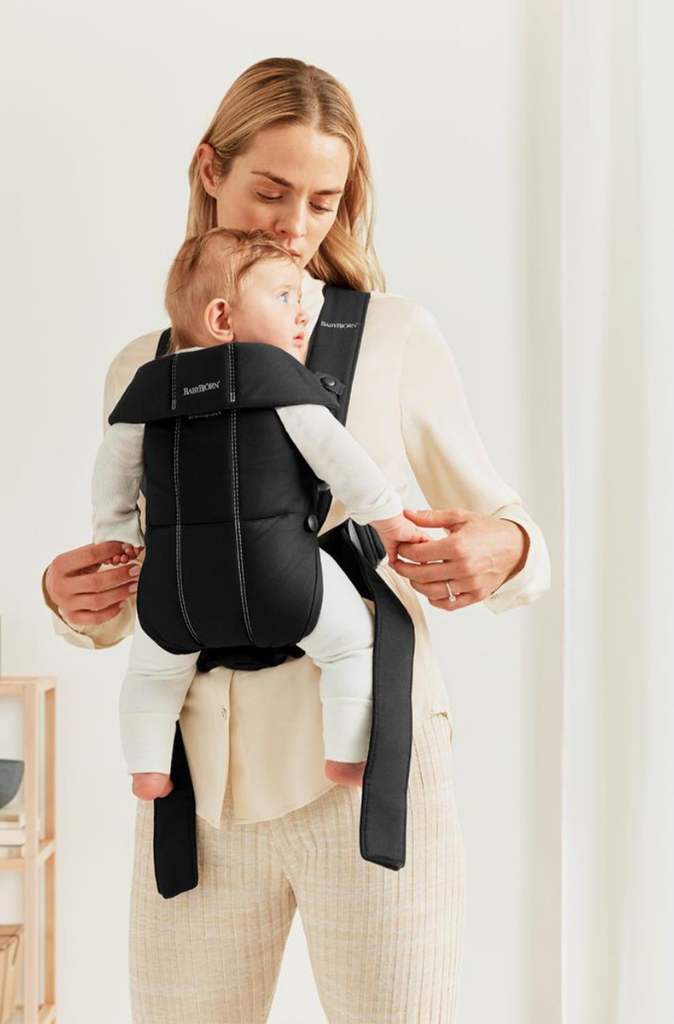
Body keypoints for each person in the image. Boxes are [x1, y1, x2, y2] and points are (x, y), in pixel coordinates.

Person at [42, 57, 551, 1022]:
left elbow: (509, 523)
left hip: (371, 772)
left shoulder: (393, 335)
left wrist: (509, 550)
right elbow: (138, 576)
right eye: (271, 192)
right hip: (196, 783)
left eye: (323, 202)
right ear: (211, 170)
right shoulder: (139, 369)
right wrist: (71, 601)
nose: (294, 227)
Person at [91, 226, 431, 799]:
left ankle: (147, 769)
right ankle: (346, 756)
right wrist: (390, 520)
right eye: (284, 297)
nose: (302, 313)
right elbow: (343, 460)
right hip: (282, 578)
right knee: (352, 645)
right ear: (222, 318)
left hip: (177, 587)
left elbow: (113, 473)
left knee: (151, 672)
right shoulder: (275, 379)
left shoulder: (149, 391)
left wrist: (116, 537)